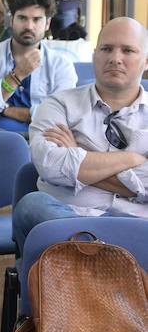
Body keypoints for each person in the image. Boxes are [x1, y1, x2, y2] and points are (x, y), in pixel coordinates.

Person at [12, 17, 148, 250]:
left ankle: (93, 251)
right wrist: (133, 159)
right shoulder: (59, 104)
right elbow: (51, 166)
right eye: (106, 49)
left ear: (146, 61)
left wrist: (78, 156)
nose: (115, 58)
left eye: (127, 50)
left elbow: (64, 167)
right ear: (95, 55)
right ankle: (108, 252)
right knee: (33, 205)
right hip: (68, 220)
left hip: (138, 225)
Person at [0, 0, 77, 132]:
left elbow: (60, 115)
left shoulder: (61, 64)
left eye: (37, 19)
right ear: (12, 20)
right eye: (22, 18)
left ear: (47, 24)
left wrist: (4, 107)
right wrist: (17, 75)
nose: (29, 26)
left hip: (44, 137)